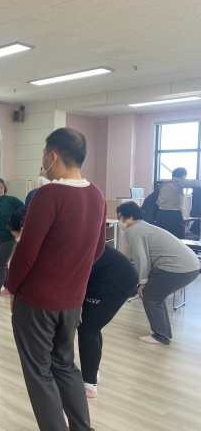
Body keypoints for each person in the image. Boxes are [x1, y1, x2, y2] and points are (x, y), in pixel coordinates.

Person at [7, 127, 106, 431]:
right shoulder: (96, 194)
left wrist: (12, 288)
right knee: (64, 365)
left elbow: (27, 252)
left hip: (38, 301)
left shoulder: (48, 194)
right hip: (71, 302)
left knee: (39, 371)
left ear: (52, 156)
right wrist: (72, 278)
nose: (43, 161)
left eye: (43, 155)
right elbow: (99, 249)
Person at [117, 201, 200, 345]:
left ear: (130, 217)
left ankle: (161, 336)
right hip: (190, 266)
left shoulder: (133, 231)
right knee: (156, 297)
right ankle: (164, 333)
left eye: (120, 218)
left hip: (176, 267)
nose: (120, 221)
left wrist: (142, 281)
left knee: (150, 297)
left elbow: (141, 258)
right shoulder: (145, 226)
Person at [77, 244, 139, 398]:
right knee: (92, 327)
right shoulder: (72, 237)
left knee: (87, 330)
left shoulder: (66, 242)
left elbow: (75, 274)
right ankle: (93, 372)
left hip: (112, 281)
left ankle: (89, 384)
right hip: (115, 275)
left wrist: (77, 303)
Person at [156, 167, 201, 238]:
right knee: (179, 238)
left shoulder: (164, 184)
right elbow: (194, 183)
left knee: (163, 238)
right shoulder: (178, 182)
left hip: (160, 214)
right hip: (173, 214)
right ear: (183, 177)